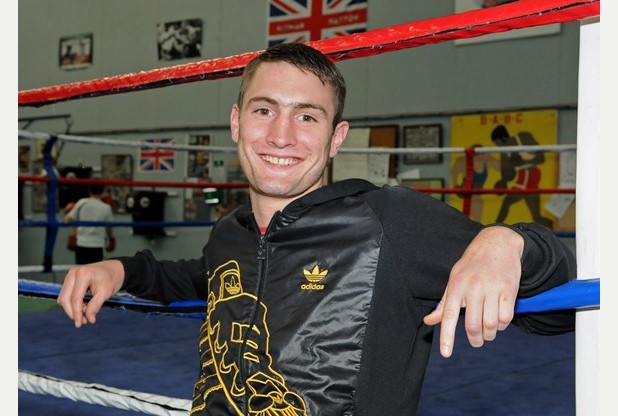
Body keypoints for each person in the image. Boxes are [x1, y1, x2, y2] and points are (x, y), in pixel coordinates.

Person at [57, 43, 576, 415]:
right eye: (265, 111)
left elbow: (561, 307)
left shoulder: (387, 221)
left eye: (307, 117)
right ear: (237, 122)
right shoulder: (231, 232)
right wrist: (120, 268)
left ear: (336, 138)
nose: (281, 136)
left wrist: (506, 241)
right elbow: (202, 278)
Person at [491, 124, 554, 229]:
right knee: (537, 217)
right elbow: (508, 176)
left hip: (529, 176)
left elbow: (541, 158)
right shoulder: (506, 152)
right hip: (524, 177)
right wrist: (502, 181)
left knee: (507, 202)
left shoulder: (523, 138)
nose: (499, 147)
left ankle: (493, 229)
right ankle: (557, 228)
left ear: (503, 139)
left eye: (498, 144)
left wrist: (521, 161)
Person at [64, 183, 116, 264]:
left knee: (81, 272)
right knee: (96, 272)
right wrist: (111, 239)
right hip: (97, 245)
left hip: (81, 244)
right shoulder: (106, 207)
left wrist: (70, 209)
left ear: (89, 190)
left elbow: (67, 219)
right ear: (103, 191)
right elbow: (109, 227)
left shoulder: (82, 202)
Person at [450, 144, 500, 222]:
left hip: (476, 192)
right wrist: (456, 185)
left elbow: (501, 167)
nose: (479, 157)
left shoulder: (487, 161)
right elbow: (454, 172)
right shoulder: (463, 161)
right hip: (467, 190)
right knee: (477, 201)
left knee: (477, 208)